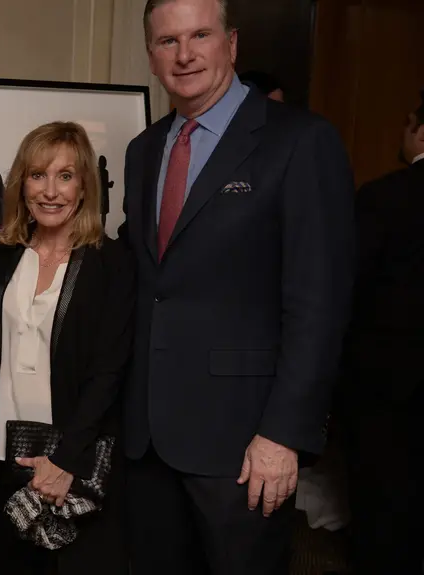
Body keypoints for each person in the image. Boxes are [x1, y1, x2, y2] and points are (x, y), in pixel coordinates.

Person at [119, 1, 356, 573]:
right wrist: (31, 245)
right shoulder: (144, 150)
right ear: (151, 55)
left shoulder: (300, 141)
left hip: (245, 445)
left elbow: (319, 304)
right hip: (147, 439)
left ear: (231, 43)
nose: (185, 54)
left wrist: (284, 434)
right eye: (168, 41)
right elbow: (142, 269)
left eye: (200, 35)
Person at [0, 121, 135, 574]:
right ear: (21, 183)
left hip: (74, 462)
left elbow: (110, 371)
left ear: (84, 186)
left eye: (65, 176)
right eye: (38, 175)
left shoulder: (111, 262)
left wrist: (65, 460)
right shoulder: (3, 254)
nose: (50, 191)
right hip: (3, 458)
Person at [338, 90, 424, 574]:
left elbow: (346, 284)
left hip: (386, 378)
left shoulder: (384, 197)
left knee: (381, 499)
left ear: (420, 131)